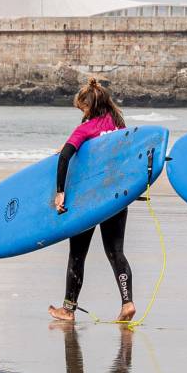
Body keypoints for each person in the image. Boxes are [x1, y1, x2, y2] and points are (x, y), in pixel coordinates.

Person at [48, 79, 137, 323]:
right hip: (116, 198)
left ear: (89, 107)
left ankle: (67, 310)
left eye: (82, 109)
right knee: (116, 252)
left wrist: (60, 192)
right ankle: (127, 302)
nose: (82, 114)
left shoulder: (84, 130)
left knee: (77, 254)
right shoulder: (118, 124)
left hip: (89, 201)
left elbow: (65, 158)